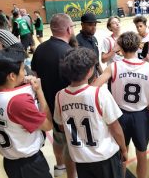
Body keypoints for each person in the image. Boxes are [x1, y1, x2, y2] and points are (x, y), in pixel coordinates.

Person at [93, 31, 149, 178]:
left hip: (119, 115)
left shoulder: (113, 67)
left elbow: (94, 87)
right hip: (141, 115)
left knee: (122, 153)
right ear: (139, 46)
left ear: (120, 48)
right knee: (142, 154)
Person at [54, 47, 127, 178]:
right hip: (105, 158)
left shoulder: (59, 96)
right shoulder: (100, 93)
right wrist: (124, 148)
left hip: (80, 158)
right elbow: (115, 127)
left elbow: (61, 126)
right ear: (90, 71)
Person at [0, 47, 53, 178]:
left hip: (11, 161)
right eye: (23, 69)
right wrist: (39, 91)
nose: (24, 73)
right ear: (11, 76)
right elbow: (48, 125)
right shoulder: (18, 103)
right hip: (29, 167)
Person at [31, 13, 76, 178]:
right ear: (68, 29)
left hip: (47, 105)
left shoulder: (40, 49)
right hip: (67, 107)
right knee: (71, 145)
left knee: (58, 139)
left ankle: (59, 166)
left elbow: (35, 75)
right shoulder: (69, 52)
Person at [76, 13, 103, 83]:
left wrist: (103, 76)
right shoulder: (76, 41)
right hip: (84, 82)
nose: (93, 27)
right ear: (82, 25)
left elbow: (97, 62)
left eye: (95, 25)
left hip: (95, 79)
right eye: (90, 25)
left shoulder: (94, 39)